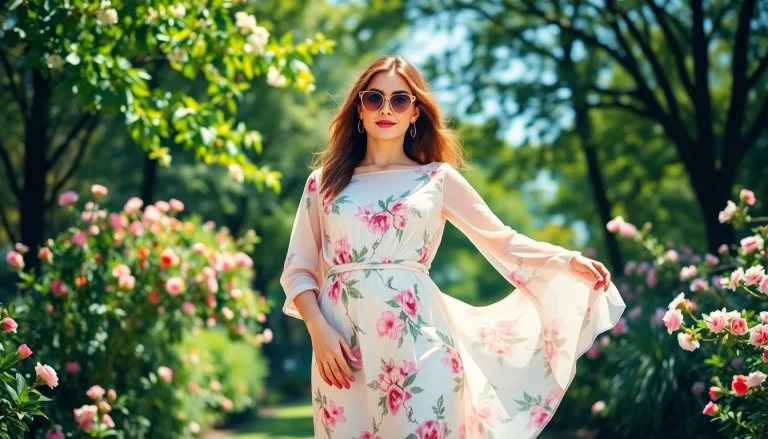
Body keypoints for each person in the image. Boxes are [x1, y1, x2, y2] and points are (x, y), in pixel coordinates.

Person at [279, 55, 626, 439]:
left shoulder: (437, 179)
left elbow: (503, 240)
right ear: (359, 109)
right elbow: (298, 271)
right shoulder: (324, 183)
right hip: (341, 349)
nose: (386, 109)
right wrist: (319, 332)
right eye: (374, 98)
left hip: (422, 344)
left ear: (415, 112)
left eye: (400, 100)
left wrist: (565, 258)